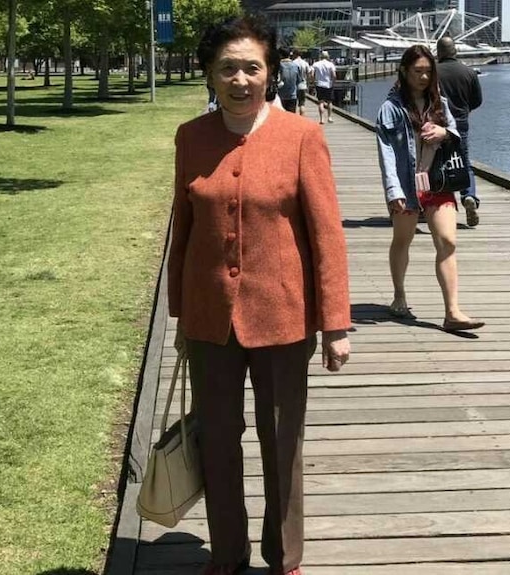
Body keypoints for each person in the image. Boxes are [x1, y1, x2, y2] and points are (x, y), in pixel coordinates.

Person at [169, 14, 352, 575]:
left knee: (282, 444)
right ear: (209, 74)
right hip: (209, 320)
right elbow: (185, 226)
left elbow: (326, 235)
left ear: (270, 73)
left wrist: (336, 324)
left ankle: (284, 557)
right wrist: (181, 312)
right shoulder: (191, 137)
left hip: (283, 317)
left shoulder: (302, 136)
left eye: (252, 67)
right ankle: (226, 555)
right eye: (227, 68)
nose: (240, 79)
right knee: (218, 443)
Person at [375, 44, 484, 333]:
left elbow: (456, 133)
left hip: (437, 180)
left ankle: (452, 311)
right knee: (403, 239)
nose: (423, 77)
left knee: (448, 241)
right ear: (405, 72)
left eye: (428, 72)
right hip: (407, 184)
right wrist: (393, 190)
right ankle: (399, 295)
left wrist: (444, 131)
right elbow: (386, 151)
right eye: (418, 71)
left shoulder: (440, 103)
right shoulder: (391, 108)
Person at [436, 36, 483, 227]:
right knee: (463, 161)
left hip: (437, 124)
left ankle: (435, 204)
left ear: (438, 52)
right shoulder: (469, 72)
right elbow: (477, 100)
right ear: (455, 51)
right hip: (461, 122)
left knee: (435, 163)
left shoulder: (432, 72)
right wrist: (465, 111)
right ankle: (468, 195)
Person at [311, 50, 337, 124]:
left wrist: (313, 82)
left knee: (321, 102)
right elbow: (334, 75)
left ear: (320, 56)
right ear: (328, 57)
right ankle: (329, 117)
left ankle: (322, 119)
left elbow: (312, 74)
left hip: (319, 84)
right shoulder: (331, 64)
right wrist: (333, 82)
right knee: (329, 102)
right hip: (329, 84)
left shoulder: (315, 64)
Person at [277, 48, 300, 113]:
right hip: (292, 95)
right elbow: (298, 80)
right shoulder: (295, 66)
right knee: (291, 118)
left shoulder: (278, 65)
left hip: (280, 95)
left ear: (280, 55)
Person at [291, 50, 311, 116]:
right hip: (303, 85)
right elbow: (308, 75)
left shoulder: (293, 63)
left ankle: (295, 119)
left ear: (295, 54)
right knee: (302, 104)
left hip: (294, 86)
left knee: (294, 104)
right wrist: (308, 85)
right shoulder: (305, 63)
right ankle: (302, 118)